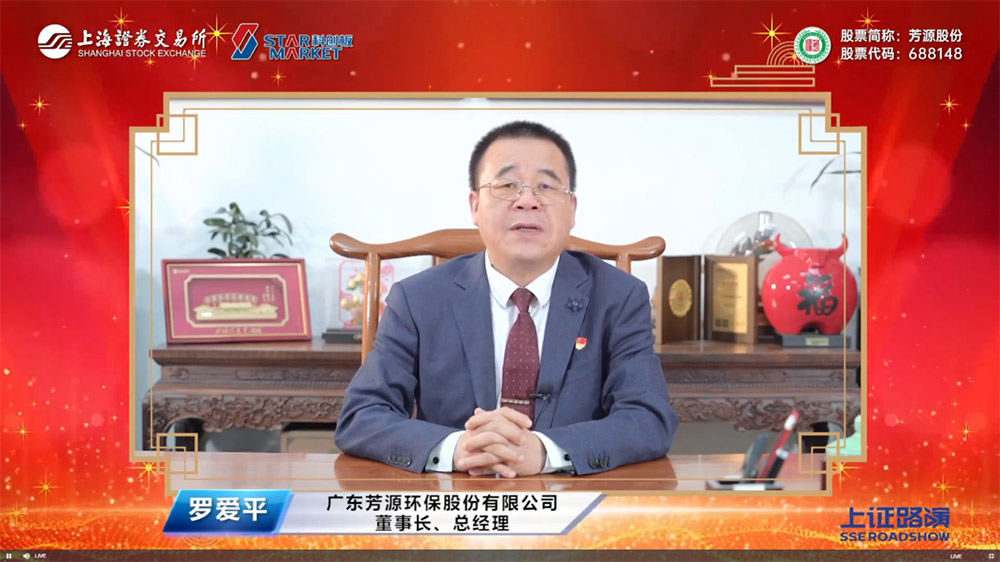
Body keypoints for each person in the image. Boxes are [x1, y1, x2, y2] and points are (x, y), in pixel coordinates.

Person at [334, 121, 679, 477]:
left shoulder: (619, 298)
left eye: (546, 186)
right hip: (457, 496)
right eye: (506, 185)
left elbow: (648, 418)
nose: (527, 201)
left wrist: (545, 452)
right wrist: (457, 449)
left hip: (574, 497)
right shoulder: (417, 300)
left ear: (572, 208)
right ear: (475, 205)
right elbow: (362, 415)